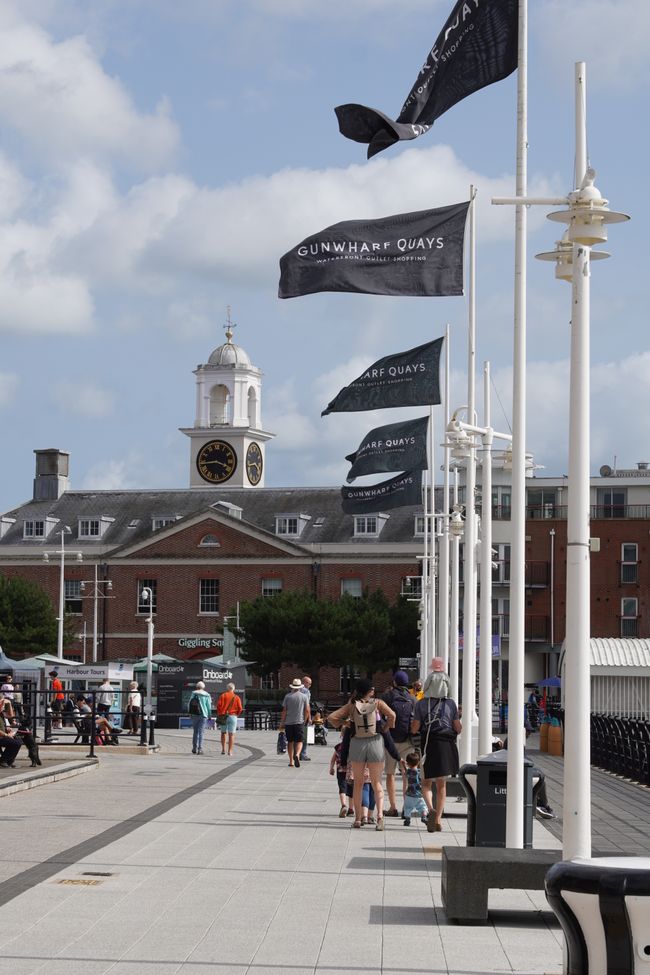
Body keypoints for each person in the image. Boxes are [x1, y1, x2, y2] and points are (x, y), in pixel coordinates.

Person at [327, 678, 396, 831]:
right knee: (377, 783)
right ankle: (379, 817)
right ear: (370, 691)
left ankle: (358, 819)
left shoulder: (352, 705)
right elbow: (392, 716)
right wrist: (384, 729)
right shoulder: (378, 703)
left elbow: (332, 718)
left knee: (358, 784)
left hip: (357, 743)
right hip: (376, 742)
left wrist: (347, 724)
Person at [411, 692, 462, 832]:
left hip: (428, 745)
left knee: (426, 783)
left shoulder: (421, 704)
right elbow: (458, 728)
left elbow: (414, 728)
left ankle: (430, 809)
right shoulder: (450, 703)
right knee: (441, 785)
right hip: (445, 745)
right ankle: (438, 819)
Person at [381, 670, 416, 817]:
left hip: (391, 740)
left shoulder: (387, 696)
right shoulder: (413, 699)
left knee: (390, 774)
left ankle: (393, 807)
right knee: (407, 774)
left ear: (394, 682)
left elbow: (380, 716)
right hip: (408, 741)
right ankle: (406, 809)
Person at [280, 678, 311, 768]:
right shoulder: (304, 697)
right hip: (299, 722)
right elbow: (307, 710)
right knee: (300, 741)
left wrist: (282, 722)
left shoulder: (288, 696)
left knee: (290, 741)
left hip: (289, 722)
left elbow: (284, 710)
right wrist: (305, 720)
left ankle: (291, 761)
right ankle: (297, 754)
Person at [402, 751, 428, 826]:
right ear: (418, 762)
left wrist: (404, 765)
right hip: (418, 795)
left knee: (408, 807)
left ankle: (407, 819)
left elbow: (405, 773)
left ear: (408, 763)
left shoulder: (409, 772)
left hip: (409, 794)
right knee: (423, 807)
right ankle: (424, 816)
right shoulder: (420, 772)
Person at [216, 682, 243, 756]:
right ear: (233, 689)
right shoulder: (236, 697)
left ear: (227, 688)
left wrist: (220, 713)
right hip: (233, 716)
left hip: (223, 716)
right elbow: (240, 708)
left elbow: (218, 706)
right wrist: (236, 714)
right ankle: (230, 751)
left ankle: (223, 749)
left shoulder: (223, 695)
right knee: (231, 734)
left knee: (223, 733)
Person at [188, 681, 212, 755]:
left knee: (195, 732)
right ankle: (200, 749)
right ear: (203, 687)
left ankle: (194, 748)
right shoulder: (207, 695)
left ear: (197, 687)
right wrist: (209, 715)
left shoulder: (194, 693)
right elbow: (208, 706)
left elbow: (189, 703)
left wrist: (190, 713)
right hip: (203, 715)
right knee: (201, 732)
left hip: (194, 714)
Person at [329, 739, 349, 817]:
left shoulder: (338, 746)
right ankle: (351, 809)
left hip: (340, 770)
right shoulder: (354, 746)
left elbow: (333, 759)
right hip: (352, 771)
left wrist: (331, 768)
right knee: (352, 790)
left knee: (342, 788)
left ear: (341, 735)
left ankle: (344, 805)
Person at [299, 675, 312, 760]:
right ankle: (303, 754)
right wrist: (309, 718)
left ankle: (297, 753)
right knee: (305, 736)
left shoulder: (296, 690)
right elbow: (307, 706)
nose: (310, 685)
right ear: (305, 682)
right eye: (309, 683)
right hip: (304, 716)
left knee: (297, 736)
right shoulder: (306, 691)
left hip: (297, 716)